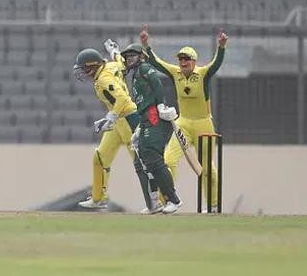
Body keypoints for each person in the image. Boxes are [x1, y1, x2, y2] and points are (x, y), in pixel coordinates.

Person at [140, 24, 227, 212]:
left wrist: (221, 47)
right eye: (180, 59)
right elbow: (157, 63)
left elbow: (216, 64)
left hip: (204, 123)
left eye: (187, 59)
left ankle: (212, 205)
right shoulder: (175, 73)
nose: (183, 62)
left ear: (194, 61)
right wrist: (146, 45)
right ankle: (168, 201)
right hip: (183, 123)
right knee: (168, 160)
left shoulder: (203, 74)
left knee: (206, 168)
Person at [72, 42, 159, 214]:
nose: (82, 72)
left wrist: (111, 116)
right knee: (100, 157)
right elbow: (120, 61)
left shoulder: (104, 79)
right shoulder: (110, 66)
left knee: (142, 161)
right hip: (118, 120)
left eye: (83, 68)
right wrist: (114, 51)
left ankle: (159, 201)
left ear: (92, 67)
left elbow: (122, 99)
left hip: (128, 119)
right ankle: (98, 198)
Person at [120, 43, 182, 214]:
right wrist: (140, 128)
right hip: (146, 118)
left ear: (141, 56)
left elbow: (157, 84)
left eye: (132, 56)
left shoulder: (145, 68)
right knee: (146, 159)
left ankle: (173, 200)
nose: (129, 59)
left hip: (155, 116)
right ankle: (156, 203)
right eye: (127, 57)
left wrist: (161, 105)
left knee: (153, 159)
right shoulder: (135, 75)